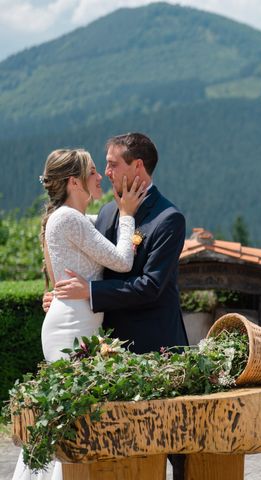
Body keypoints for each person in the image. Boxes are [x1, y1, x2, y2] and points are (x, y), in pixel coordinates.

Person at [51, 132, 189, 478]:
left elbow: (151, 287)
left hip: (155, 348)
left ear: (137, 166)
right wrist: (63, 295)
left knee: (174, 445)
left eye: (112, 164)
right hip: (110, 351)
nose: (106, 172)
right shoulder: (109, 212)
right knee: (122, 448)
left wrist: (90, 293)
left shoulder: (168, 219)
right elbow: (90, 263)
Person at [13, 148, 146, 480]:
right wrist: (127, 212)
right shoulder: (69, 218)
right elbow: (123, 260)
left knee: (69, 416)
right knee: (71, 417)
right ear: (75, 181)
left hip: (76, 324)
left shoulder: (72, 219)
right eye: (92, 172)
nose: (100, 176)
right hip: (71, 329)